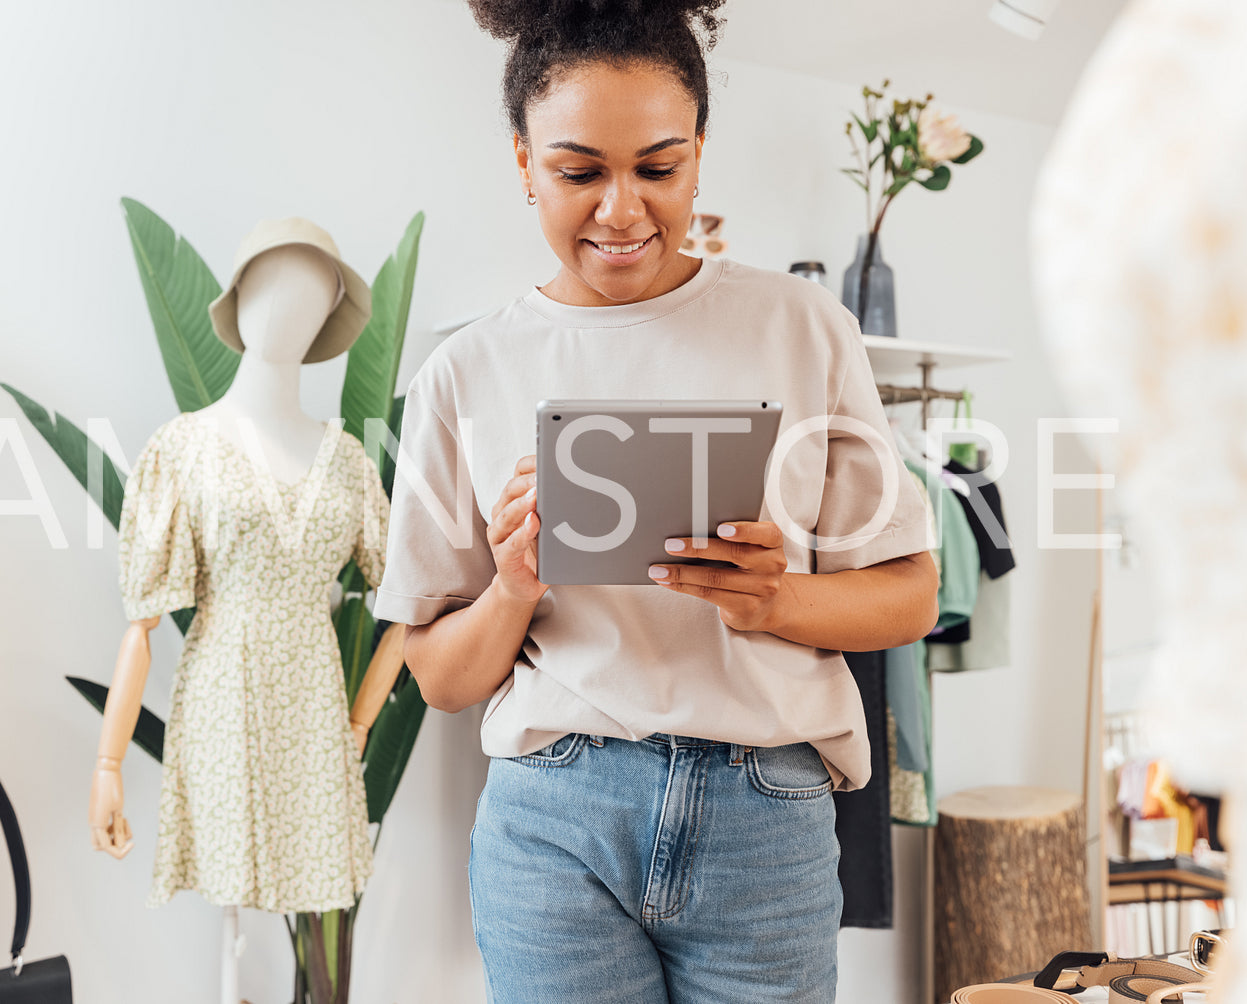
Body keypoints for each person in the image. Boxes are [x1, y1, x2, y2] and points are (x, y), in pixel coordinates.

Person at [371, 1, 940, 1000]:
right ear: (522, 163)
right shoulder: (465, 369)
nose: (621, 209)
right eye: (577, 171)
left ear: (699, 154)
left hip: (765, 818)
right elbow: (441, 678)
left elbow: (909, 597)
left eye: (658, 167)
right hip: (554, 822)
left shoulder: (801, 326)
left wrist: (774, 599)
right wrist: (509, 588)